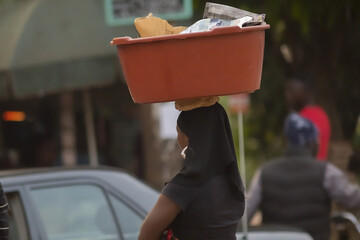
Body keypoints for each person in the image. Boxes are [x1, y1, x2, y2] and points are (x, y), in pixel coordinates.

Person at [138, 103, 245, 240]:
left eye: (179, 132)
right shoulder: (233, 182)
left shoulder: (184, 186)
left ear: (191, 137)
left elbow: (146, 234)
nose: (178, 139)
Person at [247, 112, 360, 240]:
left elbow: (246, 212)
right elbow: (352, 197)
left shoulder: (264, 172)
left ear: (288, 142)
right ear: (311, 143)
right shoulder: (326, 171)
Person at [285, 77, 331, 161]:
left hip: (307, 170)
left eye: (292, 90)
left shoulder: (302, 118)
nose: (288, 95)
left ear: (307, 92)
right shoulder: (321, 113)